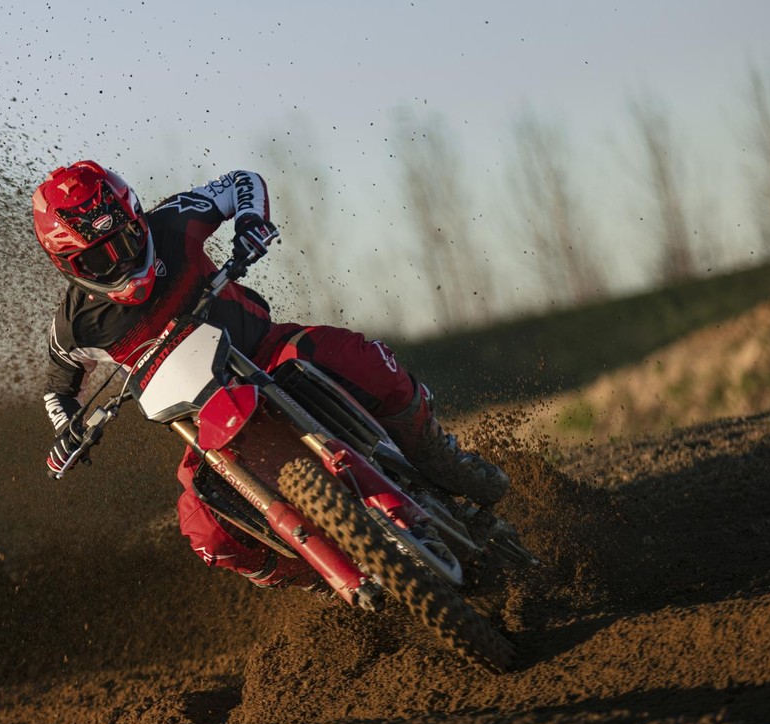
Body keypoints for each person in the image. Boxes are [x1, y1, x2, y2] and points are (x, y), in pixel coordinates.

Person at [33, 161, 508, 588]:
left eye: (127, 239)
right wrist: (68, 430)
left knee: (360, 358)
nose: (121, 259)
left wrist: (250, 222)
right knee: (203, 529)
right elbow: (58, 389)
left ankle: (437, 453)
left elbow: (240, 182)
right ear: (68, 265)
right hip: (203, 422)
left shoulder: (173, 221)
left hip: (269, 353)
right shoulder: (73, 326)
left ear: (137, 218)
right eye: (99, 258)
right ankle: (312, 576)